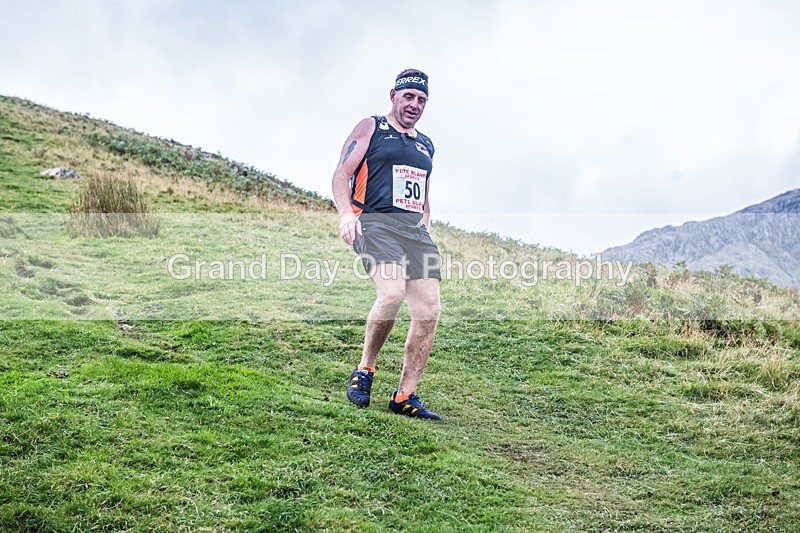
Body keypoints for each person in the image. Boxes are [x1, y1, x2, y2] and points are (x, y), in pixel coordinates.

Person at [331, 68, 442, 420]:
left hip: (414, 233)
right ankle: (365, 370)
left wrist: (425, 227)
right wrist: (347, 215)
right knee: (391, 295)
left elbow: (423, 196)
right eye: (408, 97)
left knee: (428, 312)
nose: (414, 105)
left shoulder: (426, 145)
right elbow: (341, 174)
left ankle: (405, 395)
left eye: (421, 100)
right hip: (375, 224)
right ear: (393, 95)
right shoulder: (372, 128)